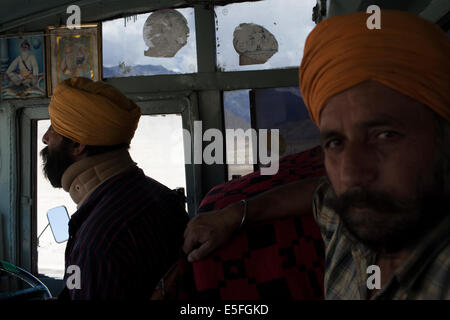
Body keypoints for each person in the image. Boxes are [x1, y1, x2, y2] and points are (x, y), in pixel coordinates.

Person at [183, 10, 450, 300]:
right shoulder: (353, 222)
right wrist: (234, 213)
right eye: (335, 143)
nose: (349, 174)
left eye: (385, 135)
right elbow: (320, 193)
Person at [41, 77, 189, 299]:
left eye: (54, 128)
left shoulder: (97, 241)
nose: (45, 138)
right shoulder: (162, 197)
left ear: (78, 145)